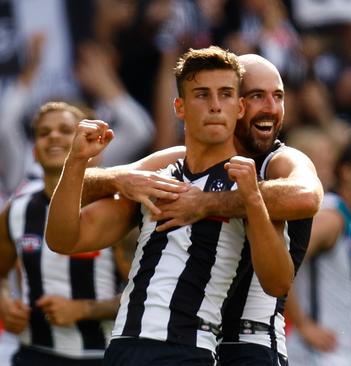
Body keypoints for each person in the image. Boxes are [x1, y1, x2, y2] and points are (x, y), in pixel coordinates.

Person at [45, 46, 293, 365]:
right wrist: (77, 161)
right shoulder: (157, 178)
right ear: (180, 106)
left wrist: (253, 200)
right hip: (122, 345)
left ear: (240, 107)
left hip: (187, 350)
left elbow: (278, 281)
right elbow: (64, 239)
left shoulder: (251, 183)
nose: (216, 106)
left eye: (226, 94)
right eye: (202, 95)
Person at [0, 102, 124, 366]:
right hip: (32, 354)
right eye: (44, 133)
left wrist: (84, 310)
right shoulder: (17, 208)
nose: (54, 136)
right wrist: (5, 304)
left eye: (66, 130)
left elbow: (149, 293)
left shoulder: (116, 208)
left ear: (93, 147)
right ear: (34, 151)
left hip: (100, 357)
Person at [285, 135, 351, 366]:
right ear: (346, 172)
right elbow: (281, 265)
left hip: (339, 353)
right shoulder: (332, 219)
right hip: (313, 355)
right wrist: (303, 325)